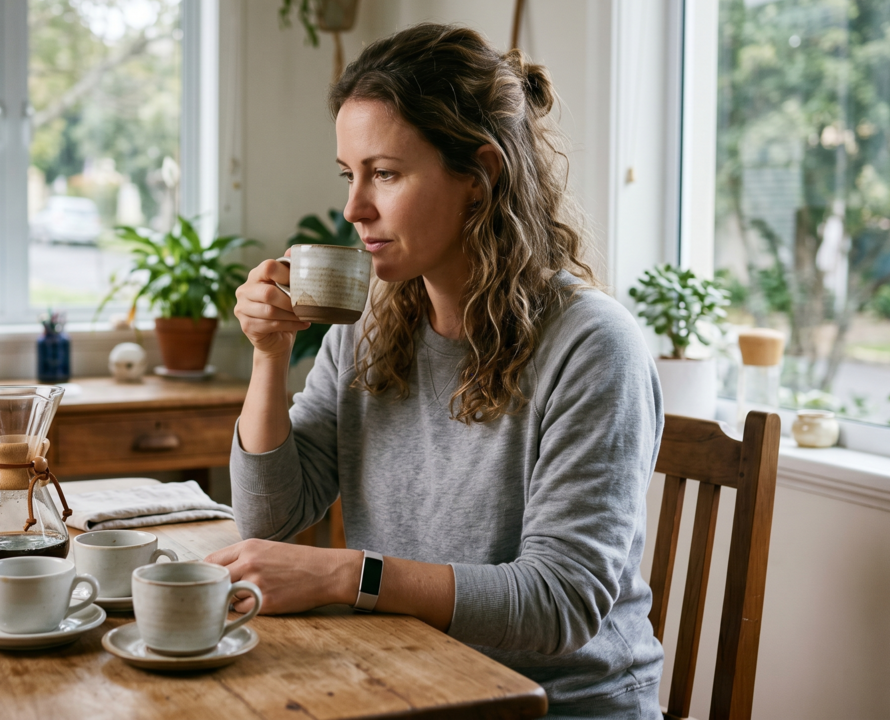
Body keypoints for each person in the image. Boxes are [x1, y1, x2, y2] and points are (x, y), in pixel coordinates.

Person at [205, 23, 665, 719]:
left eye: (385, 174)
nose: (354, 209)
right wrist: (268, 356)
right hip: (410, 681)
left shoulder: (594, 346)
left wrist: (347, 576)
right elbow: (270, 519)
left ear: (479, 177)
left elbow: (561, 603)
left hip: (555, 706)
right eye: (349, 175)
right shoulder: (367, 322)